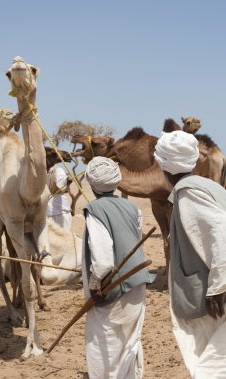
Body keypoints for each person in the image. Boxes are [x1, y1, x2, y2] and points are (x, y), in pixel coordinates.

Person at [154, 130, 226, 378]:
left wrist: (218, 286)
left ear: (162, 165)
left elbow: (220, 231)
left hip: (214, 297)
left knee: (209, 370)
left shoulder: (189, 193)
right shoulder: (207, 186)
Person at [82, 156, 155, 379]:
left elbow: (103, 261)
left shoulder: (94, 210)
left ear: (92, 185)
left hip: (110, 290)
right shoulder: (133, 208)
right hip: (137, 284)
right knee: (129, 341)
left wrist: (95, 285)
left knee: (104, 346)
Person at [45, 147, 72, 230]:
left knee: (64, 236)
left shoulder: (58, 171)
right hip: (47, 211)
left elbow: (62, 185)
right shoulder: (41, 173)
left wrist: (66, 181)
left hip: (60, 210)